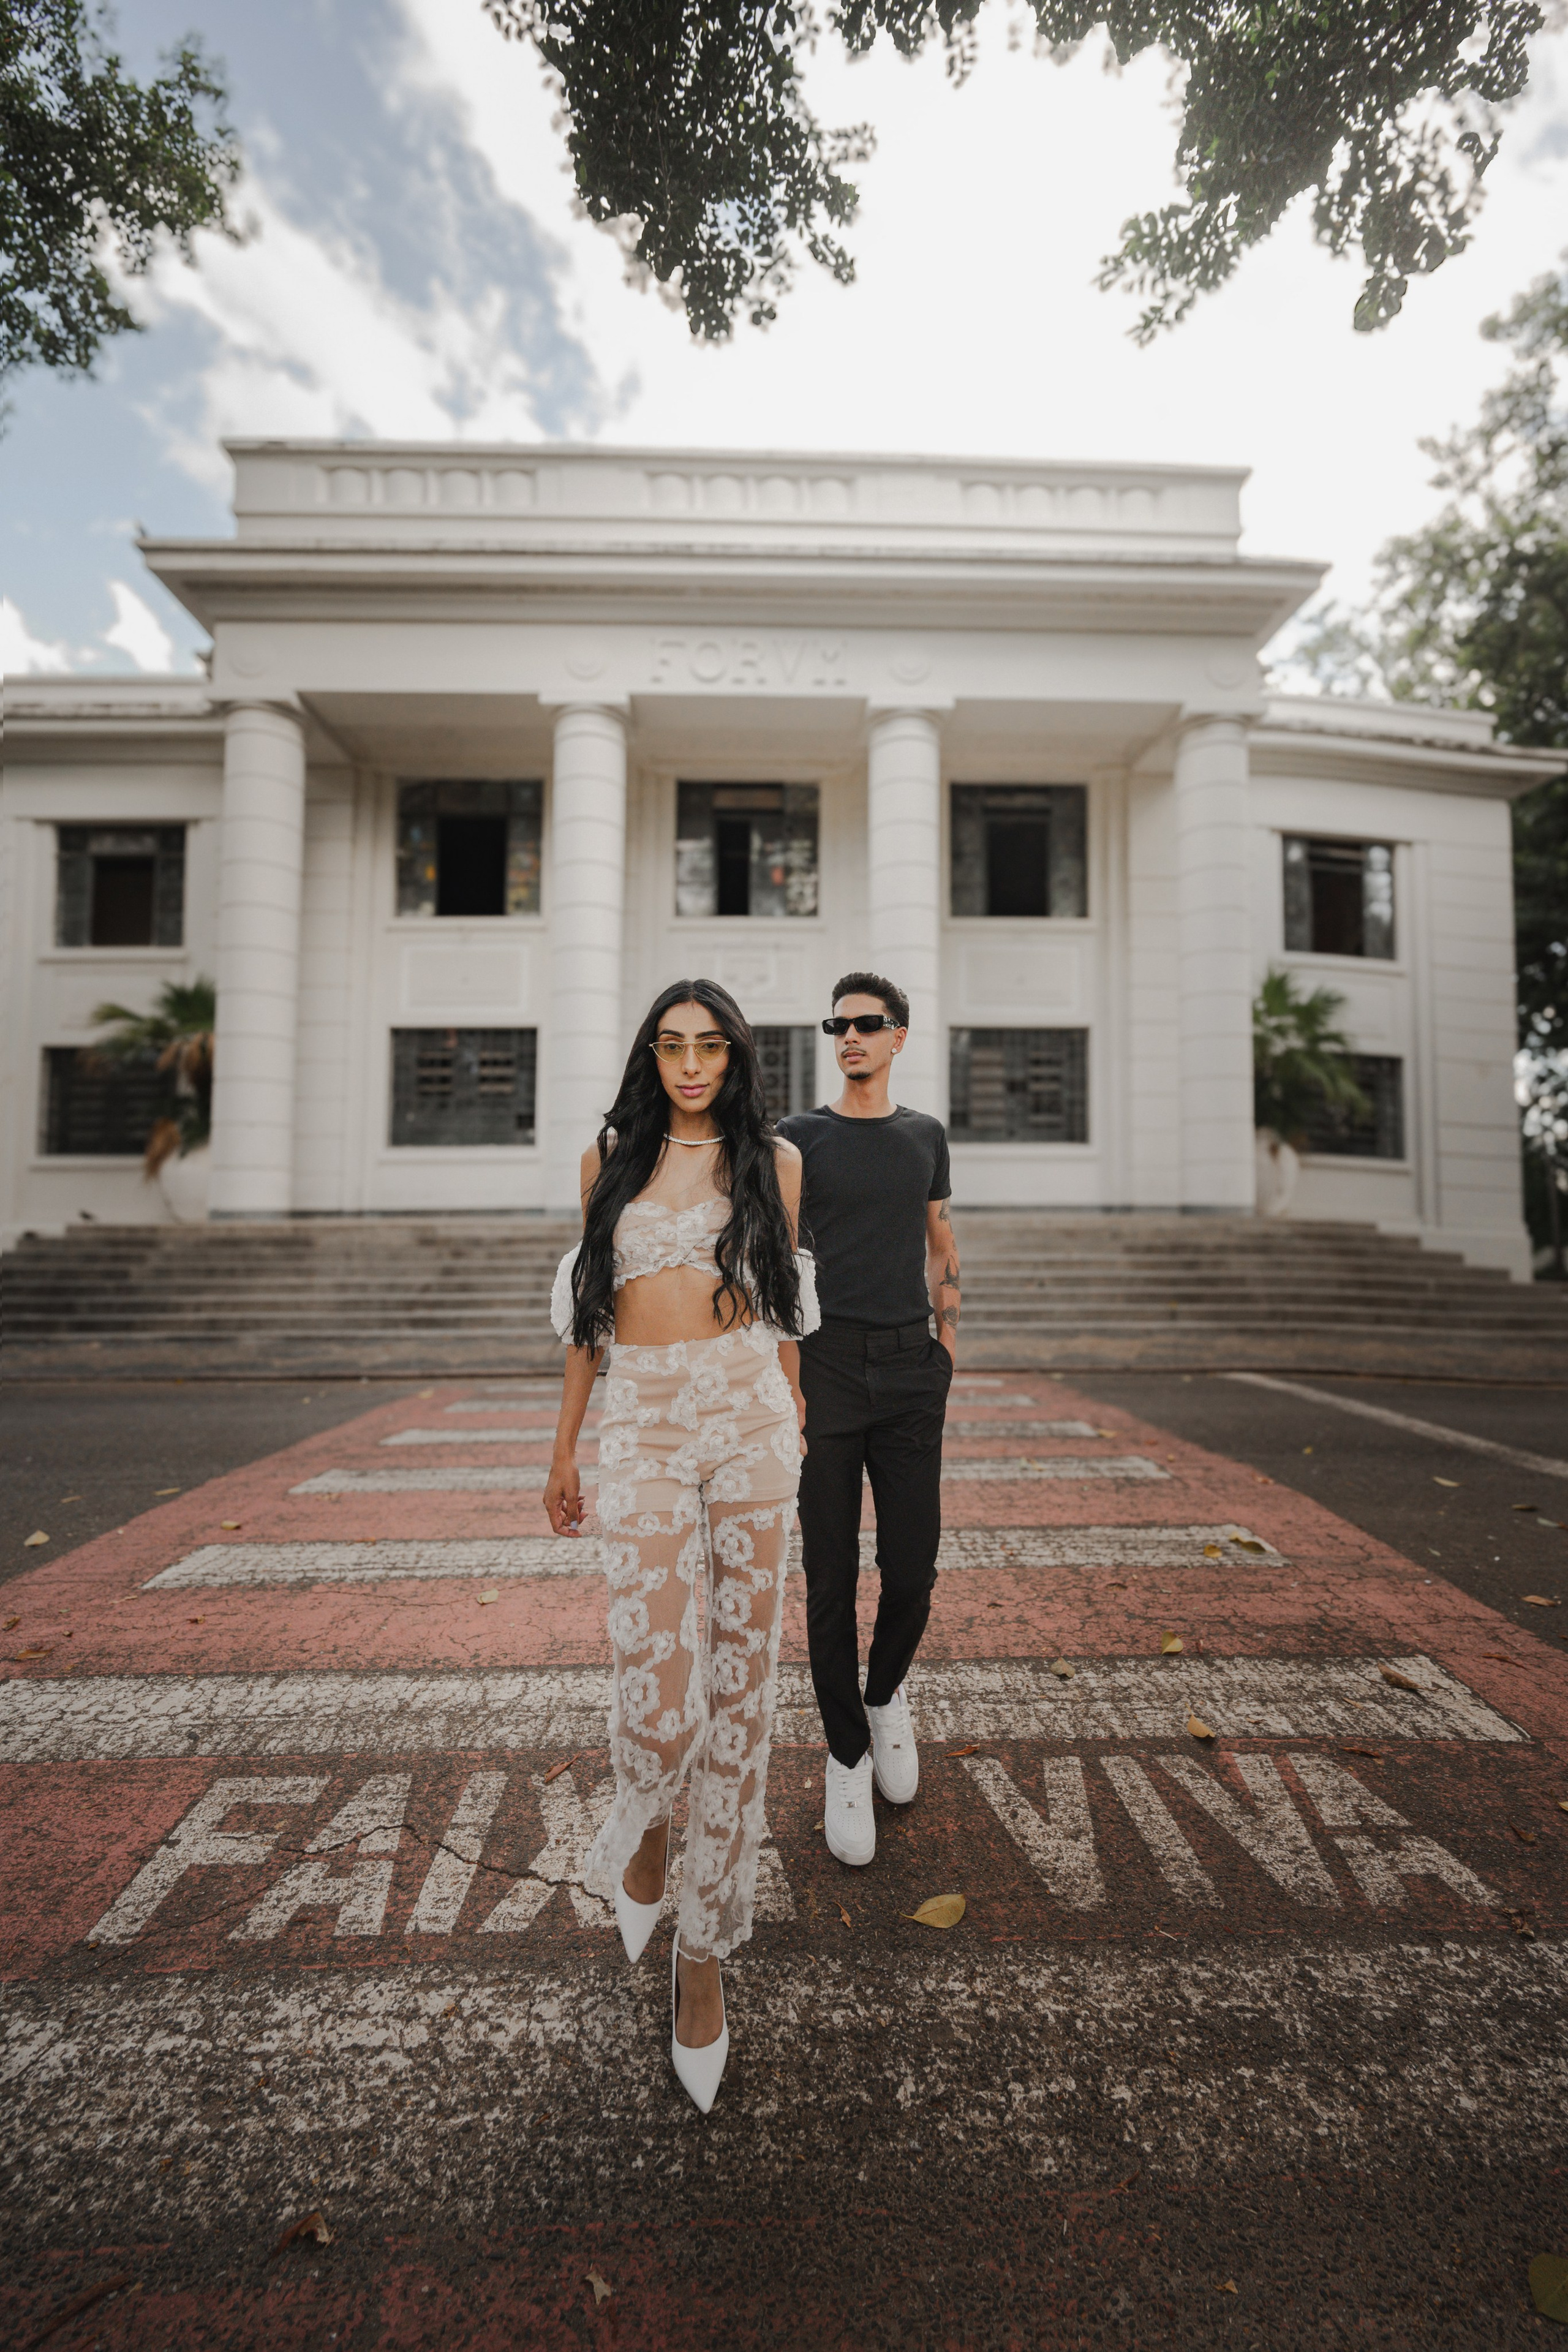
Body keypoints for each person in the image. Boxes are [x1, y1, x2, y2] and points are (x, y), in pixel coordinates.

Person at [543, 978, 816, 2114]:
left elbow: (786, 1306)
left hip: (750, 1420)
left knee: (743, 1694)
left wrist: (797, 1423)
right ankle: (645, 1813)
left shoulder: (775, 1164)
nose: (692, 1064)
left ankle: (699, 1958)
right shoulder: (612, 1155)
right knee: (662, 1697)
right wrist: (564, 1452)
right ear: (651, 1055)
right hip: (645, 1424)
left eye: (710, 1047)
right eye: (673, 1046)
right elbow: (591, 1320)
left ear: (736, 1058)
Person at [778, 971, 960, 1869]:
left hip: (910, 1366)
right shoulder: (795, 1138)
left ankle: (885, 1695)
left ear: (898, 1037)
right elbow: (768, 1258)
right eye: (837, 1025)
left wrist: (947, 1345)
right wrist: (788, 1378)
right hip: (822, 1366)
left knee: (914, 1568)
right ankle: (845, 1753)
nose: (849, 1037)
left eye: (866, 1024)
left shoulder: (926, 1135)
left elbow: (941, 1244)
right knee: (827, 1576)